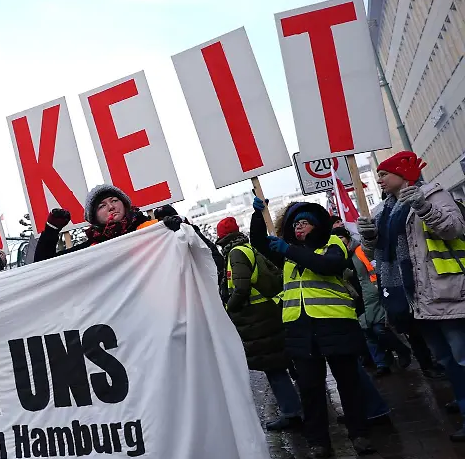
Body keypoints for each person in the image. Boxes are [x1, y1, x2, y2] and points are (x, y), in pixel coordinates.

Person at [250, 197, 375, 459]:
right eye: (295, 224)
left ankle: (360, 434)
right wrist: (257, 216)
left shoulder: (332, 244)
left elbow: (326, 266)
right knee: (310, 390)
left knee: (349, 385)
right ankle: (318, 442)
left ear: (317, 226)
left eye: (304, 223)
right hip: (301, 330)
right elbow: (259, 243)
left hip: (335, 325)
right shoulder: (288, 251)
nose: (298, 228)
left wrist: (289, 250)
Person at [359, 151, 465, 441]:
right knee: (444, 357)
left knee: (460, 355)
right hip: (414, 294)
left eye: (384, 174)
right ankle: (461, 397)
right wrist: (369, 237)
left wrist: (423, 207)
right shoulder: (385, 209)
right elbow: (377, 253)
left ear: (403, 175)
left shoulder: (432, 194)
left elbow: (454, 228)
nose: (379, 179)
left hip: (444, 289)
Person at [215, 216, 302, 431]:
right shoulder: (246, 248)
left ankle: (291, 412)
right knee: (280, 364)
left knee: (274, 368)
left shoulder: (235, 253)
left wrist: (229, 308)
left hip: (256, 318)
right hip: (265, 315)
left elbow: (241, 288)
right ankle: (298, 407)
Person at [334, 226, 411, 376]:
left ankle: (401, 350)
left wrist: (379, 288)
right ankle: (382, 363)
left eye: (341, 238)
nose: (340, 242)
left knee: (379, 329)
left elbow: (373, 269)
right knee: (367, 332)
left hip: (373, 295)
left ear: (347, 237)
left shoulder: (359, 251)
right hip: (359, 299)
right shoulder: (340, 256)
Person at [35, 184, 182, 262]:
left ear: (124, 204)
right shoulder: (92, 248)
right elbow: (44, 266)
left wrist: (180, 226)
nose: (111, 207)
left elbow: (197, 248)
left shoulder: (151, 227)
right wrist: (51, 230)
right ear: (94, 218)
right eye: (102, 206)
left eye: (114, 200)